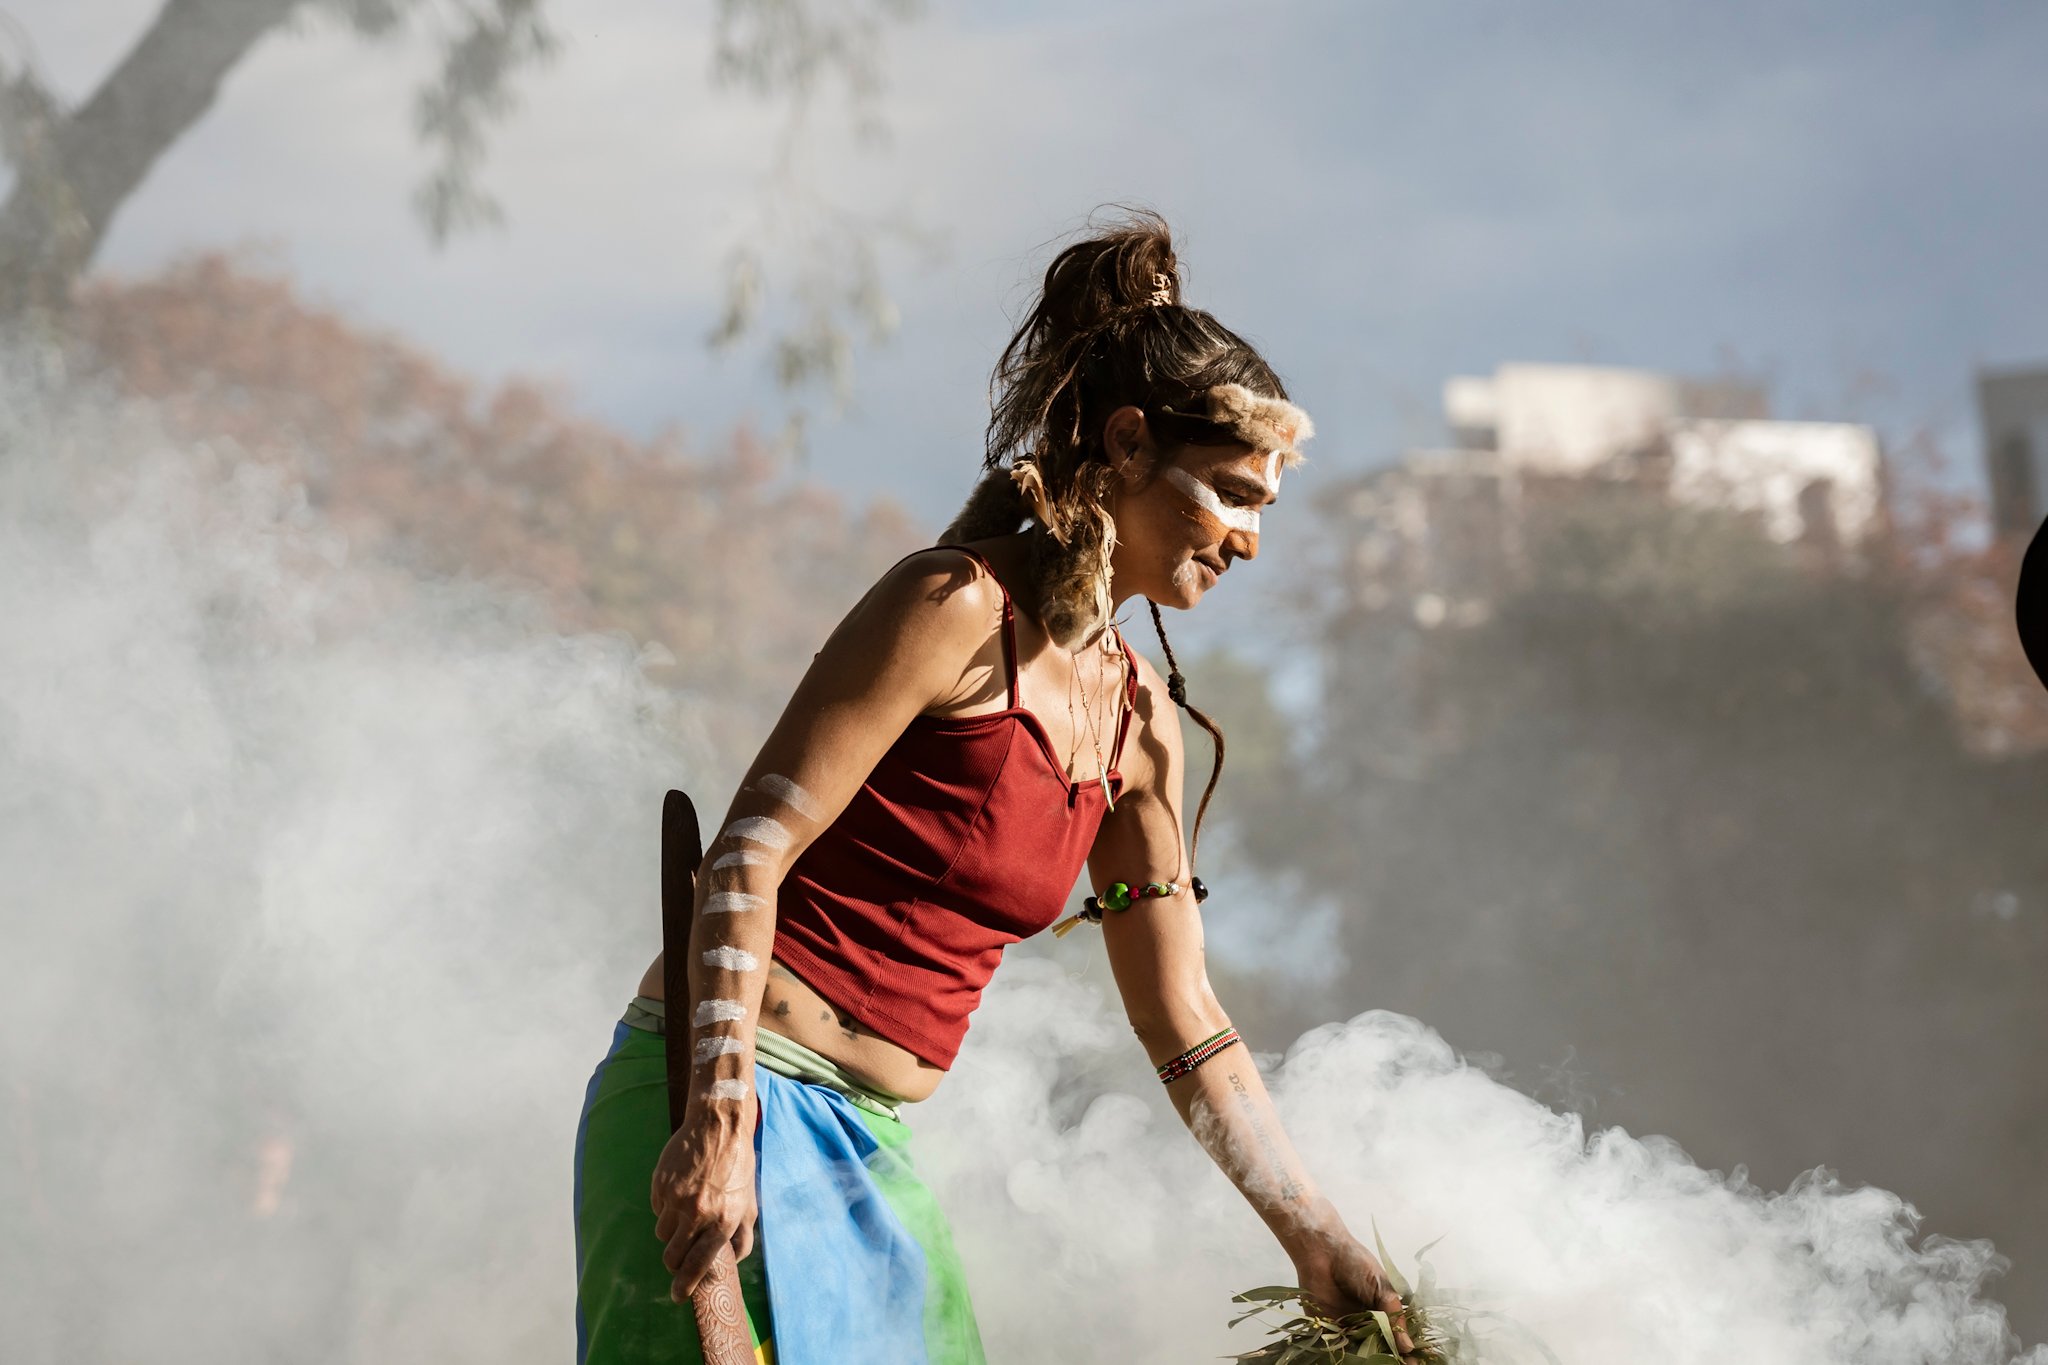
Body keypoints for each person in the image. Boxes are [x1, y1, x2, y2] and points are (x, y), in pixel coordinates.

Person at [571, 208, 1417, 1365]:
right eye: (1229, 492)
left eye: (1262, 507)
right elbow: (746, 855)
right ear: (1128, 444)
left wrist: (1309, 1231)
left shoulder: (1141, 733)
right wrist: (715, 1122)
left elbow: (1183, 1021)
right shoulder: (953, 607)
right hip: (713, 1100)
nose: (1247, 540)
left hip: (869, 1149)